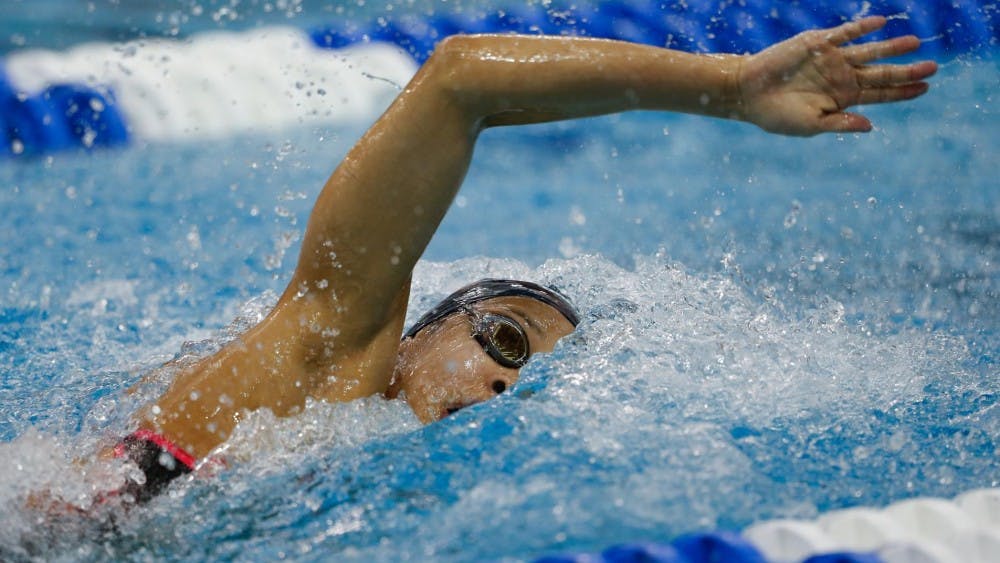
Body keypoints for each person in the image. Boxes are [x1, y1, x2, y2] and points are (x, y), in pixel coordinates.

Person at [104, 15, 935, 504]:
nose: (507, 384)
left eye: (528, 375)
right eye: (506, 340)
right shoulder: (319, 364)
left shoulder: (358, 477)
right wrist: (728, 88)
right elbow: (457, 80)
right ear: (418, 334)